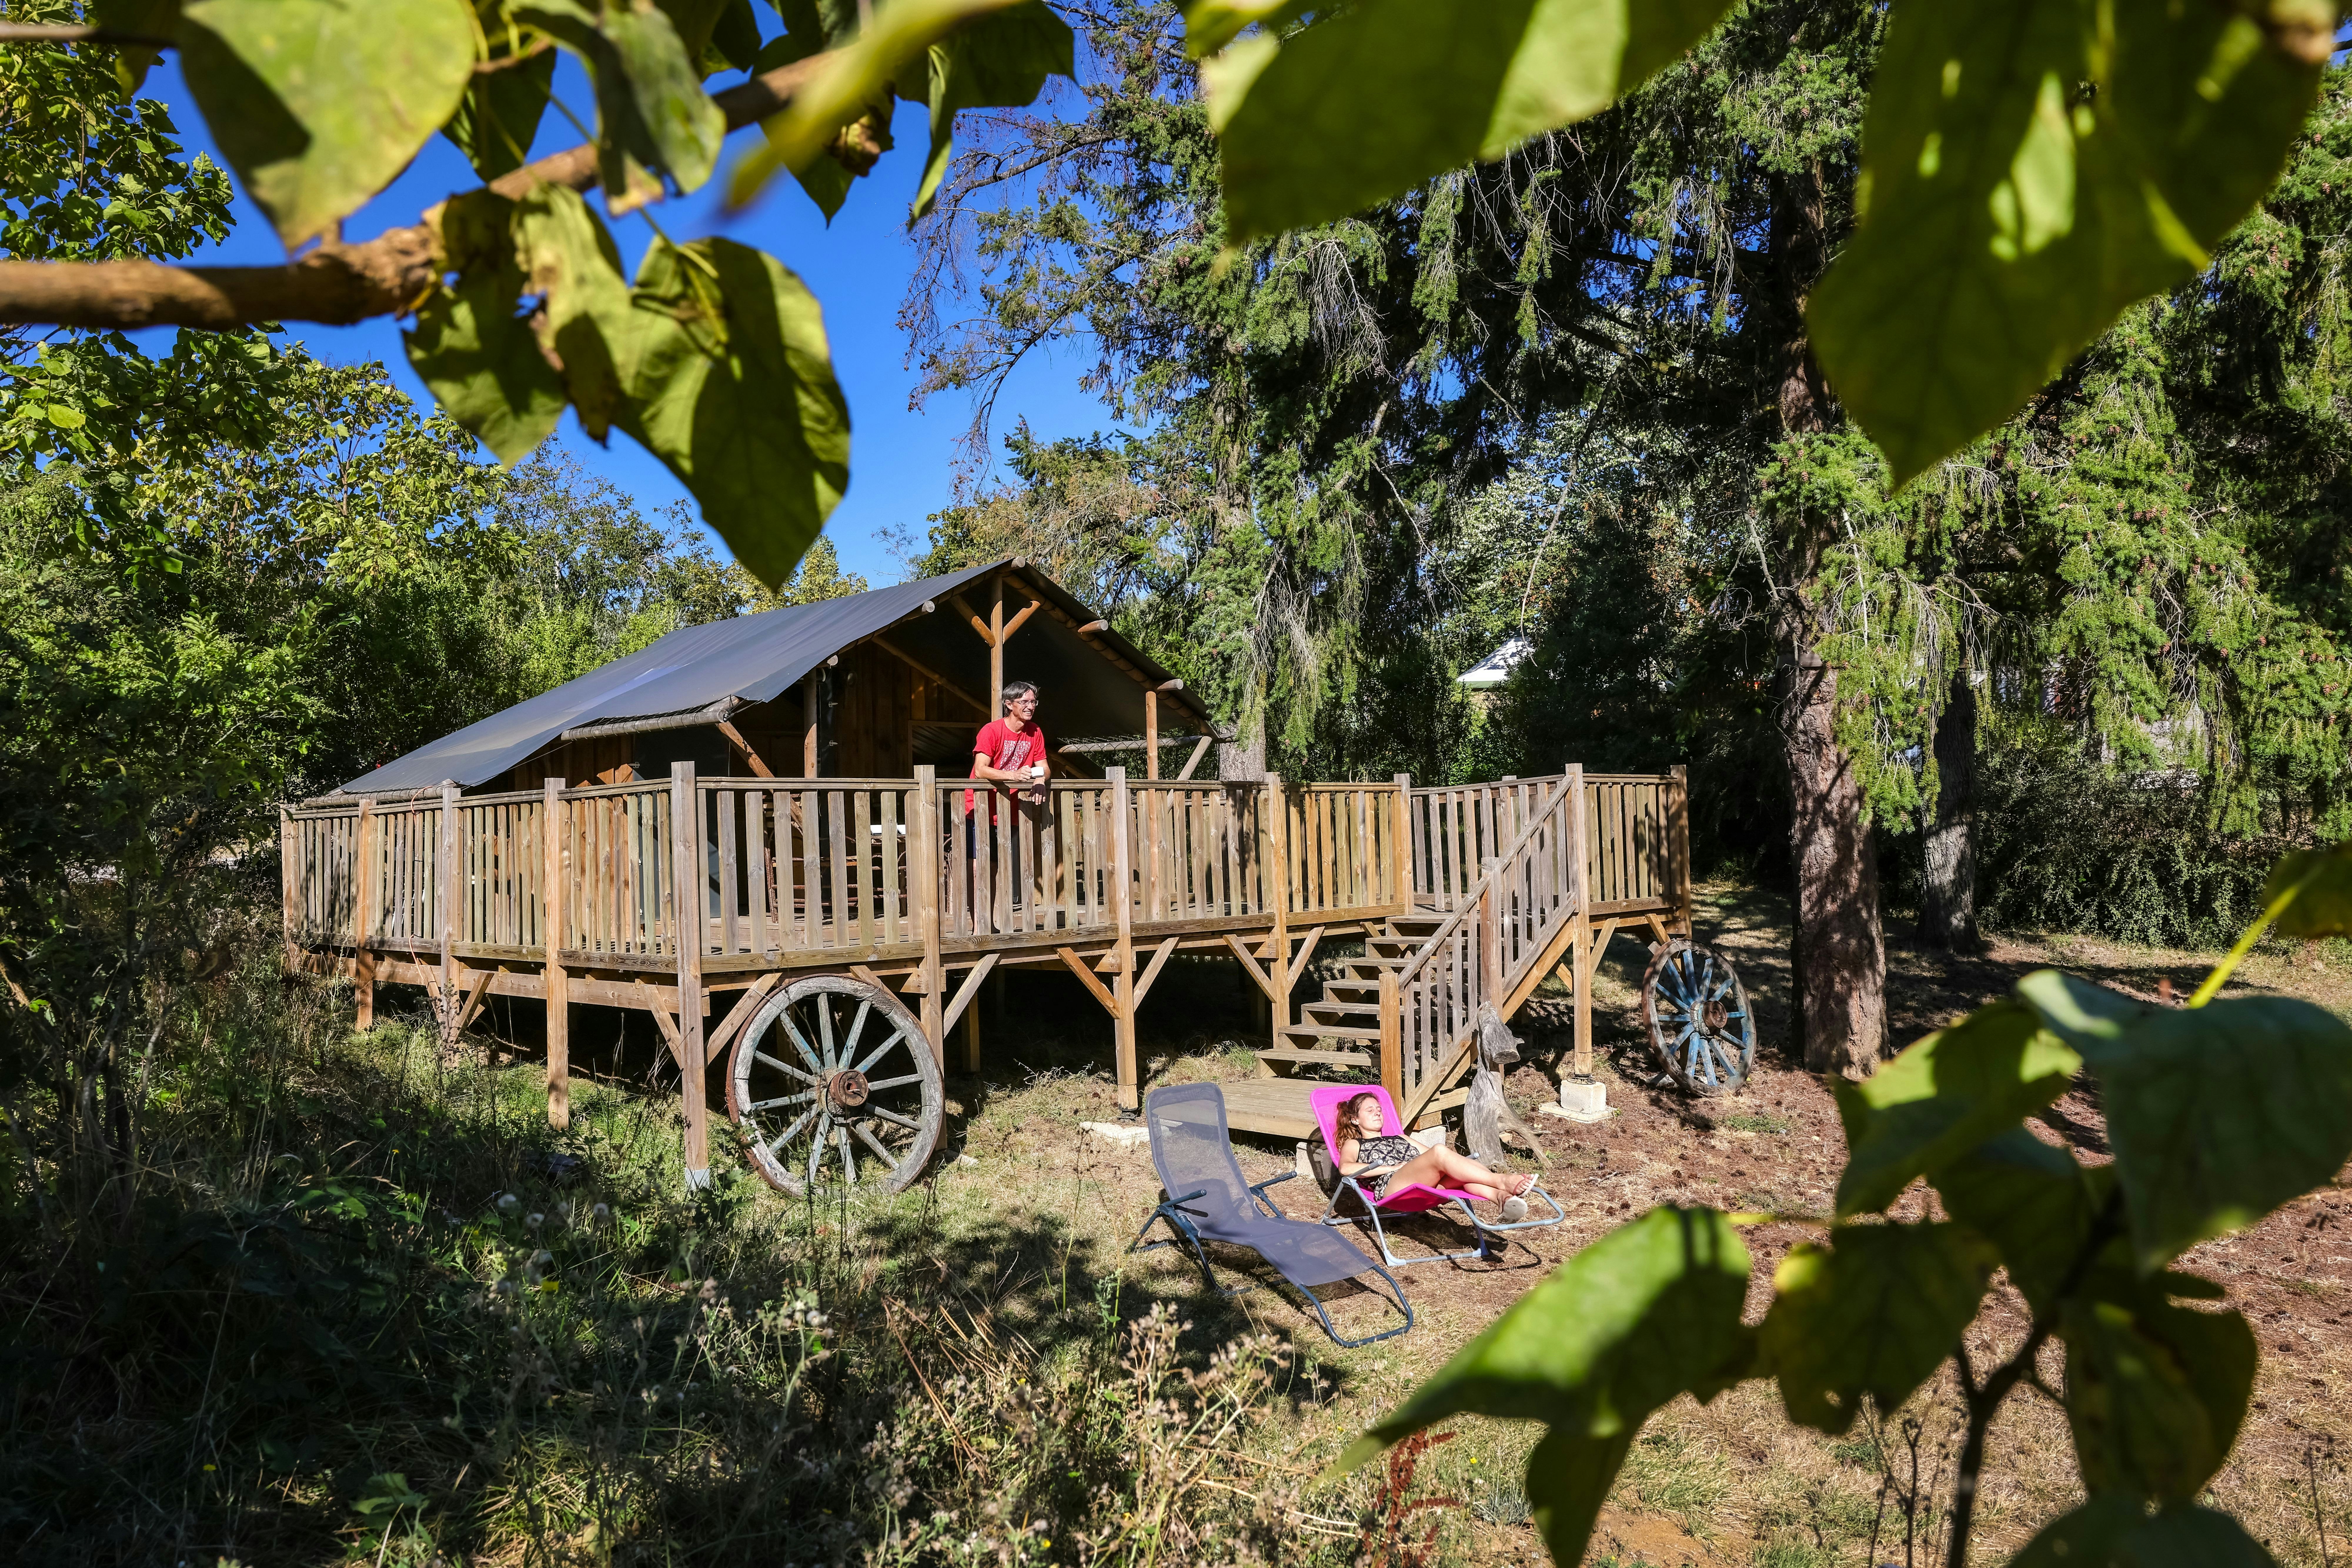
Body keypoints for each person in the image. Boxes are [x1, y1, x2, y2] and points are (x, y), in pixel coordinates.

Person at [1336, 1091, 1533, 1220]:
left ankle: (1503, 1198)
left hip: (1421, 1184)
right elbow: (1346, 1169)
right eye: (1370, 1110)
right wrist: (1393, 1168)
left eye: (1379, 1109)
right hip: (1392, 1187)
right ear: (1355, 1119)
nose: (1378, 1113)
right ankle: (1502, 1181)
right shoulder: (1355, 1144)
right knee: (1439, 1151)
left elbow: (1436, 1159)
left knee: (1460, 1173)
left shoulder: (1401, 1137)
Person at [965, 681, 1049, 905]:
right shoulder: (992, 731)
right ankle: (977, 928)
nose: (1030, 706)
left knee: (995, 868)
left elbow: (1044, 766)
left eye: (1033, 702)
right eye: (1025, 702)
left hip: (1008, 810)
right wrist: (1013, 775)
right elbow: (980, 769)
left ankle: (990, 925)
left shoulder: (1035, 732)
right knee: (977, 868)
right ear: (1009, 704)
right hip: (979, 809)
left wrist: (1040, 778)